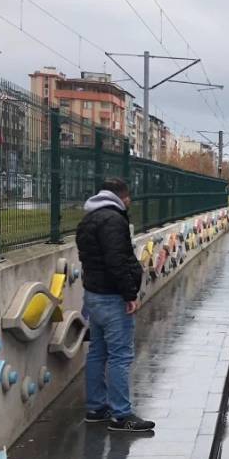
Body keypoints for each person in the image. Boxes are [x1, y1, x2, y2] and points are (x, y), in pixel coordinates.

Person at [76, 178, 155, 432]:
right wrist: (129, 293)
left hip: (94, 295)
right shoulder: (114, 220)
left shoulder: (89, 219)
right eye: (128, 197)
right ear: (122, 197)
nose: (130, 202)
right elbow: (117, 260)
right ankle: (121, 415)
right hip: (112, 297)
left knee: (98, 352)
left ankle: (96, 408)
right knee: (120, 356)